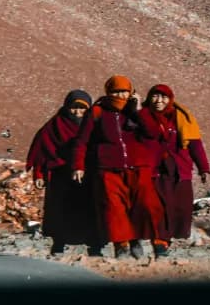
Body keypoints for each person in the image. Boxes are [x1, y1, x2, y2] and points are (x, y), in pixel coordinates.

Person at [70, 75, 166, 260]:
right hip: (108, 168)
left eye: (124, 91)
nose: (120, 96)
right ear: (108, 92)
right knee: (114, 208)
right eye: (116, 92)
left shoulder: (138, 112)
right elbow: (82, 141)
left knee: (144, 205)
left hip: (138, 168)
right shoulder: (98, 111)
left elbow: (153, 133)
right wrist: (78, 166)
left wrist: (138, 111)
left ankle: (137, 238)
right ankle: (121, 244)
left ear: (131, 92)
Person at [25, 90, 104, 256]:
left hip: (88, 175)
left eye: (82, 108)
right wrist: (38, 174)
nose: (77, 112)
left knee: (90, 211)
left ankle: (95, 247)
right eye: (74, 108)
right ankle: (58, 244)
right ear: (66, 107)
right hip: (61, 176)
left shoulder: (94, 125)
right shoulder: (54, 126)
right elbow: (42, 151)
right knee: (60, 212)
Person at [144, 84, 210, 254]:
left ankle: (171, 237)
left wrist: (203, 168)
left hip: (179, 169)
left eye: (163, 97)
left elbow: (195, 145)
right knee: (157, 207)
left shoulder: (182, 118)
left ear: (170, 99)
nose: (159, 101)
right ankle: (160, 241)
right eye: (155, 96)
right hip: (154, 170)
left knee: (181, 207)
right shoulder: (142, 116)